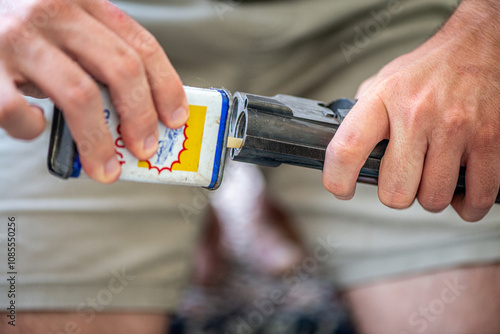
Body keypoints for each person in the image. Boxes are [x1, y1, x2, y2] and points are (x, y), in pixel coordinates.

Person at [1, 0, 499, 333]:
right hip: (97, 28)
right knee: (29, 306)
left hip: (385, 22)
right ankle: (181, 202)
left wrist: (483, 35)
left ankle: (262, 192)